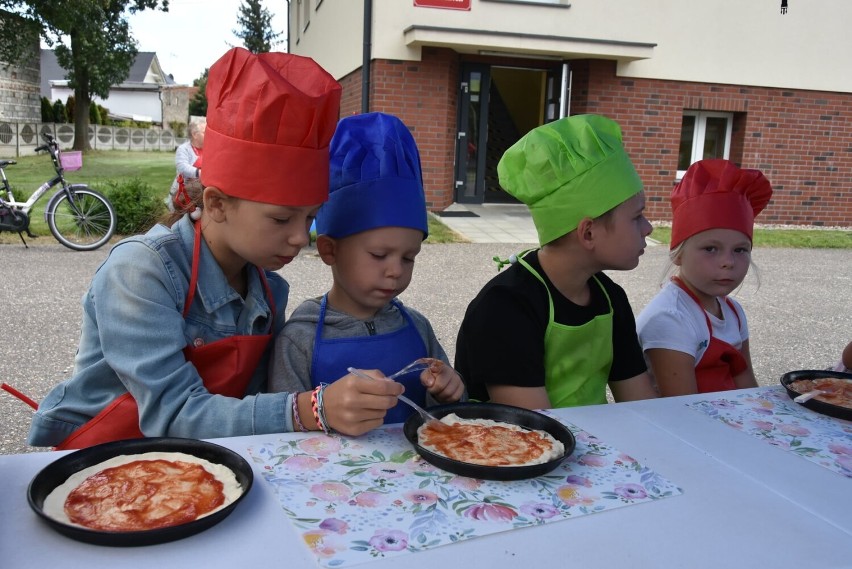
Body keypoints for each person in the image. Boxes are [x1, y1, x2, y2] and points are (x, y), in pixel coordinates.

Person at [27, 47, 405, 450]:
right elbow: (173, 412)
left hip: (201, 464)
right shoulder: (140, 272)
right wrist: (308, 408)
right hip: (106, 464)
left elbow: (251, 406)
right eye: (282, 219)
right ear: (216, 204)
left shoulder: (269, 291)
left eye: (309, 217)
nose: (300, 237)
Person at [269, 112, 465, 423]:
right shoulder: (299, 340)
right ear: (329, 249)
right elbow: (282, 429)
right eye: (378, 254)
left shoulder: (417, 328)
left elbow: (448, 412)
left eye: (408, 257)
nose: (395, 271)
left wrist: (449, 389)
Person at [454, 114, 658, 410]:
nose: (649, 228)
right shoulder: (505, 308)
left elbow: (643, 409)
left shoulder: (611, 298)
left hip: (589, 447)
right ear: (588, 232)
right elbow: (535, 430)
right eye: (637, 216)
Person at [636, 159, 773, 396]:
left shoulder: (734, 313)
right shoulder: (670, 319)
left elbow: (746, 382)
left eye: (740, 250)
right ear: (678, 255)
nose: (728, 262)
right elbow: (682, 408)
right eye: (711, 248)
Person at [167, 120, 206, 212]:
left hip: (200, 194)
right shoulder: (184, 149)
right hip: (183, 194)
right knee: (179, 217)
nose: (209, 135)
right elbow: (182, 167)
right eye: (205, 132)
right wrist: (201, 173)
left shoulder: (208, 149)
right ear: (194, 134)